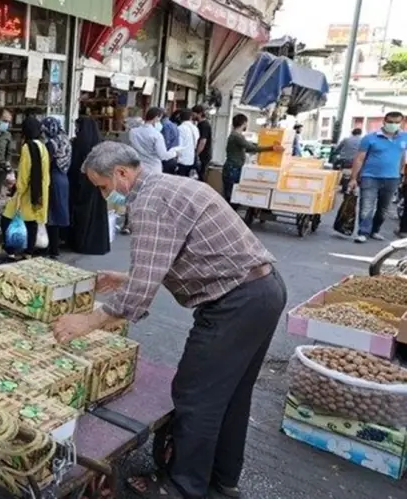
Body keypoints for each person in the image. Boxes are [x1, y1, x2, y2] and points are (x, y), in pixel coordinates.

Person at [52, 141, 287, 499]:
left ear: (122, 174)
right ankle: (222, 478)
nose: (103, 197)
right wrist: (126, 278)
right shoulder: (170, 185)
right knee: (232, 393)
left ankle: (182, 486)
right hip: (263, 290)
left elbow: (143, 287)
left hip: (235, 303)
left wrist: (89, 320)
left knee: (195, 395)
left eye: (102, 187)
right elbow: (178, 256)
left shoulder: (148, 203)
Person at [347, 111, 407, 243]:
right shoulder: (370, 138)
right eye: (390, 122)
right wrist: (353, 178)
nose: (393, 125)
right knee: (366, 206)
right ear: (384, 121)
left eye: (396, 122)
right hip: (370, 177)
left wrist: (402, 174)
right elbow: (359, 158)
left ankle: (375, 230)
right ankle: (363, 232)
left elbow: (404, 157)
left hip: (392, 178)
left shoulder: (404, 138)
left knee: (383, 208)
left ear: (401, 123)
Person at [0, 117, 50, 257]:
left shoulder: (27, 147)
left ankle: (12, 251)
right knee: (31, 223)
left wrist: (17, 191)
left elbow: (24, 173)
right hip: (40, 192)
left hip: (27, 193)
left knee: (6, 219)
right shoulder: (42, 146)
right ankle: (28, 252)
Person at [67, 117, 110, 255]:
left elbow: (74, 166)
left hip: (81, 182)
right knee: (97, 214)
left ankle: (80, 242)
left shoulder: (79, 144)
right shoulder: (101, 145)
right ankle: (98, 244)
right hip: (98, 183)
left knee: (82, 216)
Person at [222, 114, 283, 205]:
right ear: (244, 123)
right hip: (233, 169)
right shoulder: (237, 136)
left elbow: (248, 148)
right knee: (232, 196)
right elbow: (251, 148)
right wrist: (271, 148)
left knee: (231, 194)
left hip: (232, 167)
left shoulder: (235, 135)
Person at [41, 117, 71, 258]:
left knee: (51, 215)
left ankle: (52, 249)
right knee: (58, 213)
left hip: (53, 178)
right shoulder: (65, 140)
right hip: (64, 178)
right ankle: (55, 247)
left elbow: (47, 162)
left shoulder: (51, 143)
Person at [129, 107, 182, 173]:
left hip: (138, 166)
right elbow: (163, 156)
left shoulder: (133, 132)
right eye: (159, 118)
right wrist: (174, 153)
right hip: (153, 167)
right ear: (156, 117)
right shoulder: (156, 135)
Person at [176, 109, 200, 177]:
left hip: (181, 159)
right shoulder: (195, 128)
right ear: (190, 117)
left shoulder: (180, 128)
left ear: (180, 118)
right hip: (191, 158)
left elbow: (179, 145)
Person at [192, 105, 213, 180]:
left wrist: (196, 154)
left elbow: (202, 141)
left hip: (203, 155)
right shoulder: (201, 124)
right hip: (203, 154)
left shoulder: (204, 125)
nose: (192, 116)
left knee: (200, 176)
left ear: (200, 114)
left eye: (194, 114)